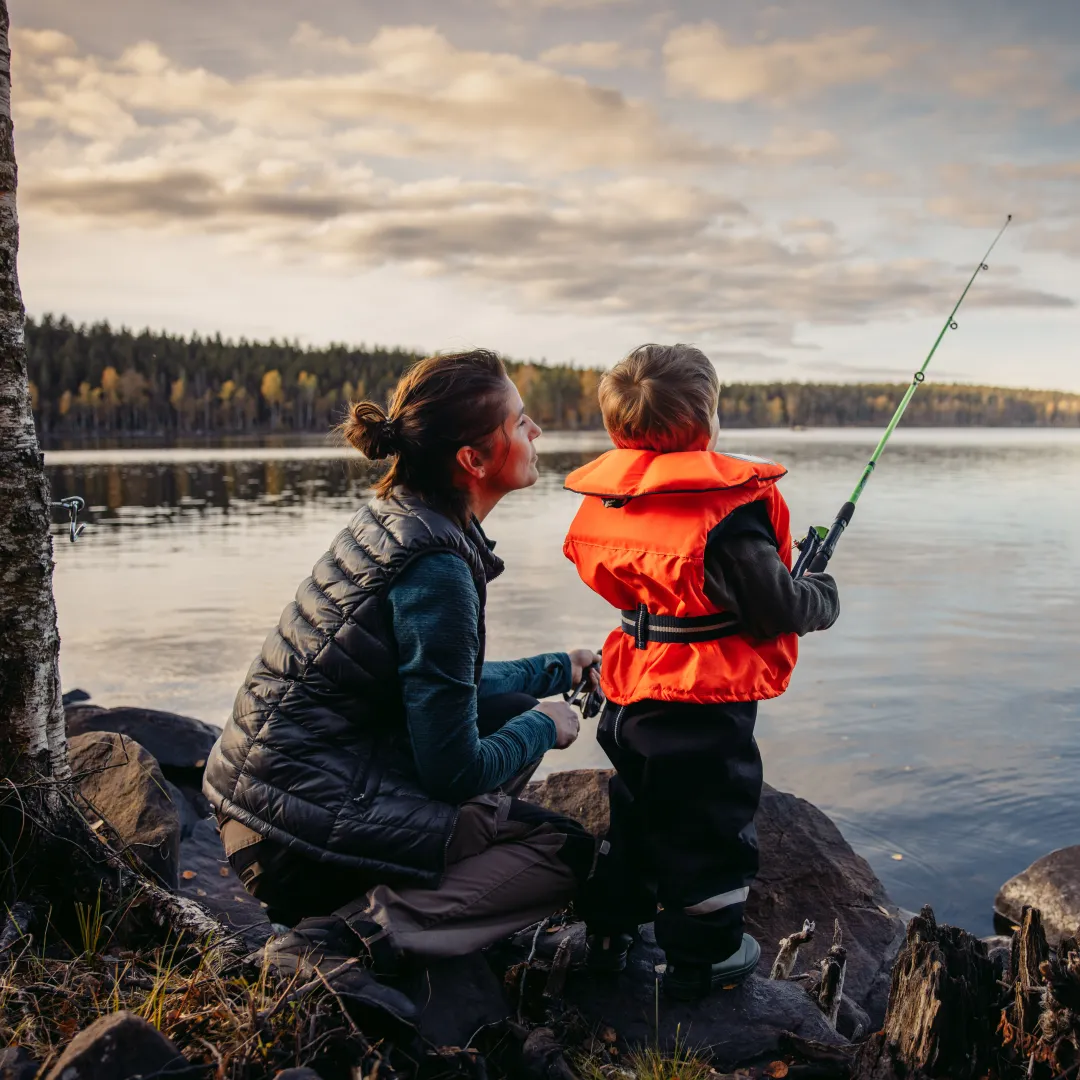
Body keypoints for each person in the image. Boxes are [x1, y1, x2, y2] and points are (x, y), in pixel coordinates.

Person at [203, 349, 598, 975]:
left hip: (264, 808)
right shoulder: (436, 567)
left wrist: (559, 669)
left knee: (509, 708)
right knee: (566, 851)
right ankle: (349, 938)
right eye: (521, 421)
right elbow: (454, 770)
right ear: (473, 459)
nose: (536, 432)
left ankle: (425, 891)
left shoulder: (401, 520)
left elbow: (438, 690)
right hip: (293, 845)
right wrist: (544, 727)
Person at [562, 344, 840, 999]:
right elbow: (776, 608)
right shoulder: (729, 512)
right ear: (707, 425)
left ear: (618, 433)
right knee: (709, 822)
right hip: (700, 703)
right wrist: (822, 594)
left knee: (635, 810)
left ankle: (607, 931)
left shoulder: (621, 502)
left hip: (631, 691)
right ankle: (703, 955)